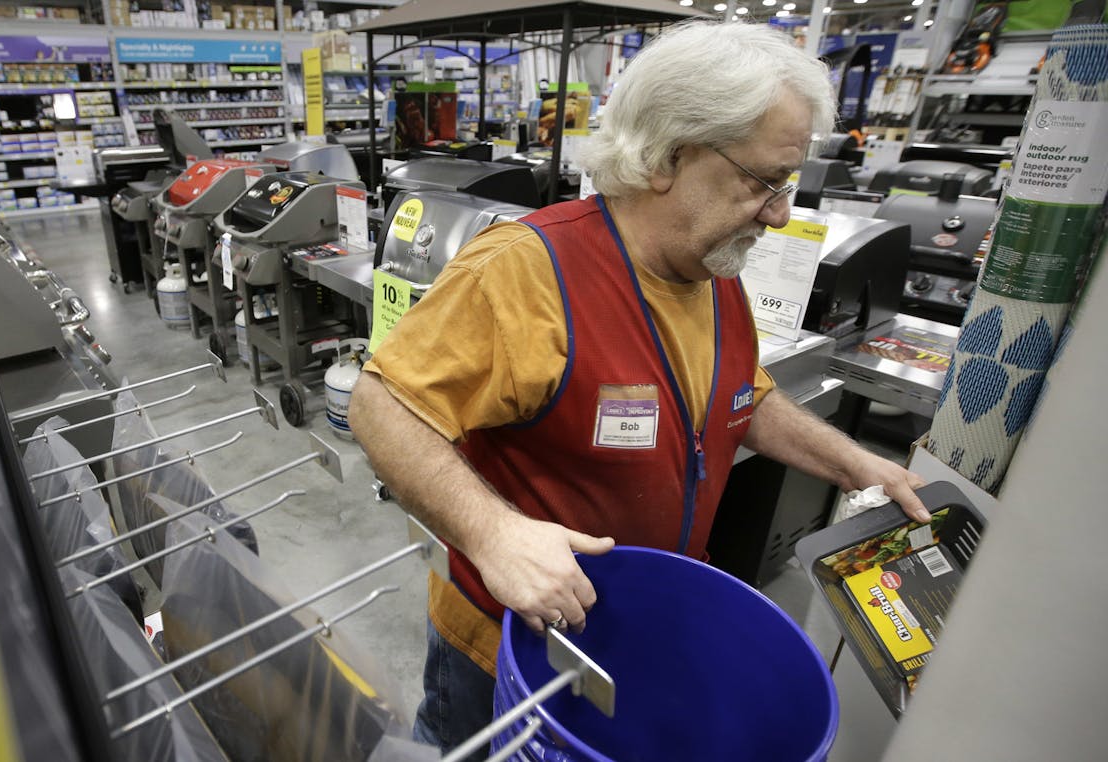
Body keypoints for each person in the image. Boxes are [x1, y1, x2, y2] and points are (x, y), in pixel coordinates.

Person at [346, 21, 931, 753]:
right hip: (503, 646)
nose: (781, 214)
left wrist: (858, 464)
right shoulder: (525, 275)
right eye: (763, 182)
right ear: (669, 157)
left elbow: (743, 399)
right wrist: (494, 533)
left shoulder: (711, 268)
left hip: (635, 629)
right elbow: (382, 406)